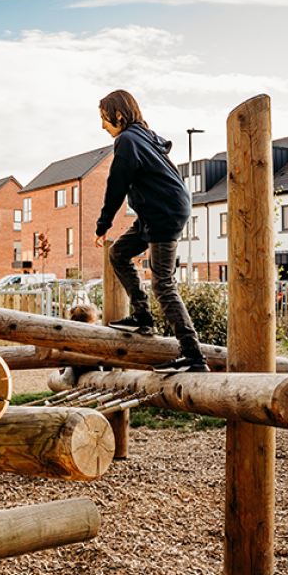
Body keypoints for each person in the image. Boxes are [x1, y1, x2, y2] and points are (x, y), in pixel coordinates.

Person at [94, 89, 210, 373]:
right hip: (157, 210)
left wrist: (103, 224)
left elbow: (116, 185)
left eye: (104, 119)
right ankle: (142, 318)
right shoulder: (143, 137)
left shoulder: (127, 140)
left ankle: (193, 356)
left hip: (163, 213)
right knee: (119, 253)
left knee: (163, 284)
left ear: (118, 115)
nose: (102, 126)